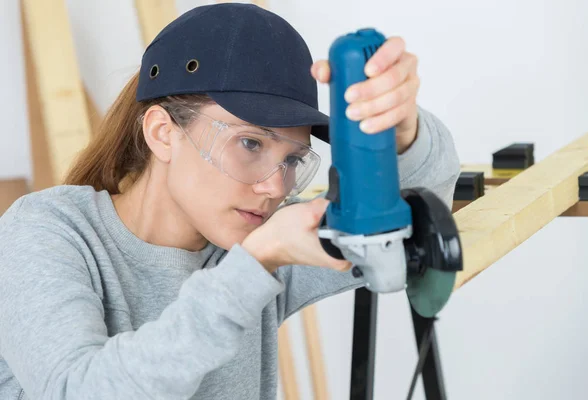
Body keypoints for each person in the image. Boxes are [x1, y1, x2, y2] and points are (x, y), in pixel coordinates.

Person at [0, 3, 460, 400]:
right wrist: (253, 267)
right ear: (163, 133)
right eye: (251, 145)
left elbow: (423, 200)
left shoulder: (254, 241)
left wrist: (403, 128)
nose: (276, 188)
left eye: (292, 158)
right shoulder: (46, 232)